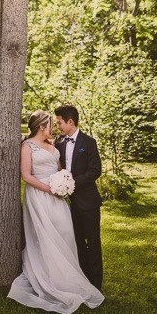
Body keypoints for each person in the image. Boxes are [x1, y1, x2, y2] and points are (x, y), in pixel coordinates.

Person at [7, 110, 104, 314]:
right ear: (42, 126)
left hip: (64, 198)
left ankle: (85, 279)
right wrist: (50, 188)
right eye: (52, 124)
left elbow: (65, 171)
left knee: (70, 237)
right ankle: (52, 278)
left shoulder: (62, 144)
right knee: (46, 237)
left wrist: (65, 185)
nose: (56, 127)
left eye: (58, 123)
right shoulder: (32, 145)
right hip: (41, 196)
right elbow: (26, 175)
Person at [54, 105, 103, 290]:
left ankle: (96, 283)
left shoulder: (89, 142)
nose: (58, 126)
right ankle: (83, 278)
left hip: (89, 202)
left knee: (93, 242)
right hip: (69, 204)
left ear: (70, 121)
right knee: (77, 242)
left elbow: (95, 170)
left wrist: (71, 182)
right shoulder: (59, 142)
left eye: (59, 122)